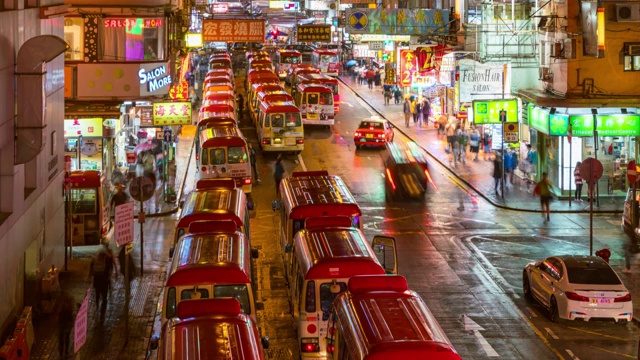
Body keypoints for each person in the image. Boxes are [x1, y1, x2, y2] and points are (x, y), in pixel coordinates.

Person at [89, 247, 115, 321]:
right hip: (104, 282)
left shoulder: (94, 261)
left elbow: (91, 270)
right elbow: (110, 270)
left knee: (97, 294)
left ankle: (97, 306)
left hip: (96, 282)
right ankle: (102, 312)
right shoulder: (107, 260)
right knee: (104, 298)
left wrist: (89, 277)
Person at [56, 288, 74, 358]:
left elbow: (57, 312)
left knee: (63, 338)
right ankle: (65, 352)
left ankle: (62, 353)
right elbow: (71, 311)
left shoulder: (60, 302)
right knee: (66, 337)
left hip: (63, 322)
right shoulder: (68, 302)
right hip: (66, 322)